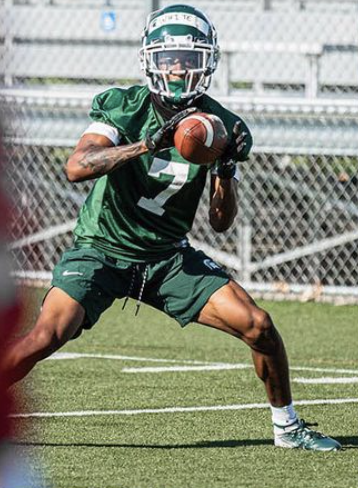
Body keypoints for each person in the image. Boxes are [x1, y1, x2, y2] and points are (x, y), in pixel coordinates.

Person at [4, 4, 340, 451]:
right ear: (151, 61)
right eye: (169, 58)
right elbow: (76, 167)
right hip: (102, 248)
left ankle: (288, 428)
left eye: (188, 58)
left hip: (167, 256)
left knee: (259, 325)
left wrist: (224, 168)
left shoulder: (223, 125)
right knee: (45, 336)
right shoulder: (124, 106)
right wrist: (146, 143)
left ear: (207, 63)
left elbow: (221, 223)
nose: (178, 68)